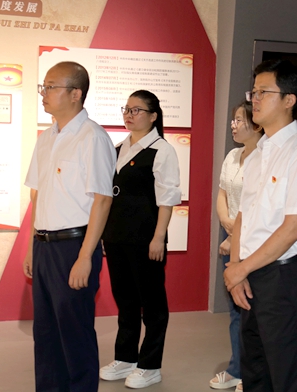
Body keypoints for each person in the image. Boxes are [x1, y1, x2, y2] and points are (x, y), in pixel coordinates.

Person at [223, 59, 297, 392]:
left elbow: (292, 229)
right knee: (256, 373)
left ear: (289, 100)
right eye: (253, 92)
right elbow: (244, 217)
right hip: (252, 274)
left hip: (286, 278)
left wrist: (241, 269)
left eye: (263, 92)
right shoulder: (257, 155)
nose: (254, 99)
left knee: (290, 377)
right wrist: (237, 267)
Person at [23, 61, 116, 392]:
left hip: (74, 247)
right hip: (44, 247)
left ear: (76, 94)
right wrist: (32, 247)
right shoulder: (46, 138)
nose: (44, 94)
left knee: (75, 334)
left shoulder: (93, 138)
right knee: (45, 334)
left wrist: (85, 256)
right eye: (44, 87)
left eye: (51, 87)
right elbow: (37, 195)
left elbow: (102, 200)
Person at [99, 90, 181, 388]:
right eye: (127, 109)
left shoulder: (161, 150)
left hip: (146, 239)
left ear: (153, 116)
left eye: (136, 110)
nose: (129, 115)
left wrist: (159, 237)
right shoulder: (118, 148)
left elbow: (167, 199)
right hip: (116, 237)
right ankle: (125, 358)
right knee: (126, 300)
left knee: (153, 303)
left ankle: (150, 365)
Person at [210, 101, 263, 391]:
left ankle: (253, 373)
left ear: (256, 124)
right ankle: (238, 367)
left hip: (252, 241)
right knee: (235, 309)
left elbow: (258, 208)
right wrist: (226, 223)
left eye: (239, 120)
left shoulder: (265, 157)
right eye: (233, 120)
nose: (234, 125)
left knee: (253, 309)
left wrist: (235, 236)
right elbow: (222, 194)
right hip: (229, 235)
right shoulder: (232, 155)